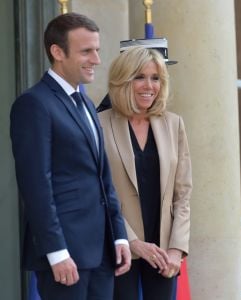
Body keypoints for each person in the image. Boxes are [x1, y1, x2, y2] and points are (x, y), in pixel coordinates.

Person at [10, 12, 131, 300]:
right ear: (57, 52)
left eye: (97, 50)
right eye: (86, 51)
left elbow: (103, 178)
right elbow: (36, 184)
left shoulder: (87, 104)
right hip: (65, 256)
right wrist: (56, 251)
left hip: (103, 252)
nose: (97, 60)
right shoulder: (33, 104)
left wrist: (119, 234)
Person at [98, 46, 192, 300]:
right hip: (118, 247)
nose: (149, 86)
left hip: (164, 254)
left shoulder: (174, 124)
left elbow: (182, 194)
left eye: (156, 78)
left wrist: (176, 248)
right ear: (122, 81)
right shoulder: (99, 124)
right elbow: (98, 192)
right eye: (140, 77)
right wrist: (130, 240)